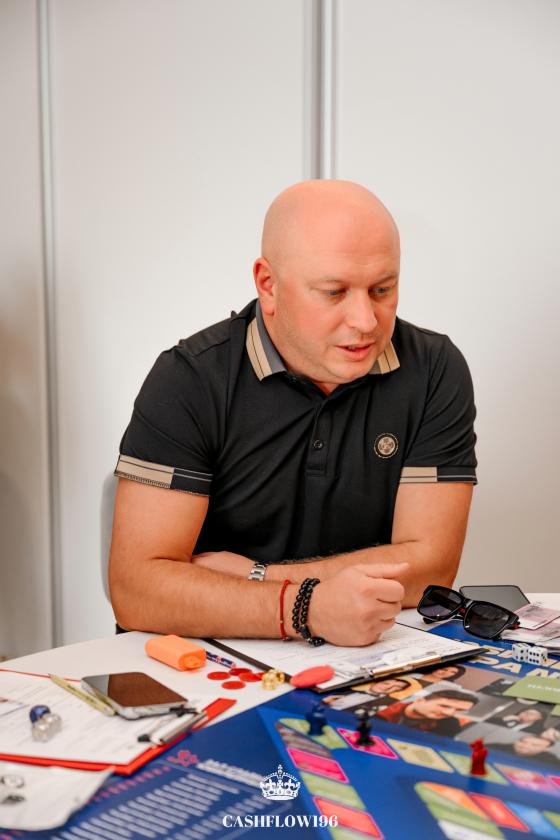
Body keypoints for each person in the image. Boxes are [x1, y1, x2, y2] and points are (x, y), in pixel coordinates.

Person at [109, 180, 477, 647]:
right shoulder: (189, 378)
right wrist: (307, 609)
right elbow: (136, 589)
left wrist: (262, 577)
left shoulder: (434, 369)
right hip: (209, 658)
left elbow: (430, 570)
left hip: (363, 652)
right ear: (269, 285)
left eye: (382, 289)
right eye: (334, 292)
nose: (366, 320)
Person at [375, 689, 477, 737]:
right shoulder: (381, 709)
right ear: (419, 701)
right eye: (444, 706)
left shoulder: (449, 724)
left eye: (459, 710)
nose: (449, 713)